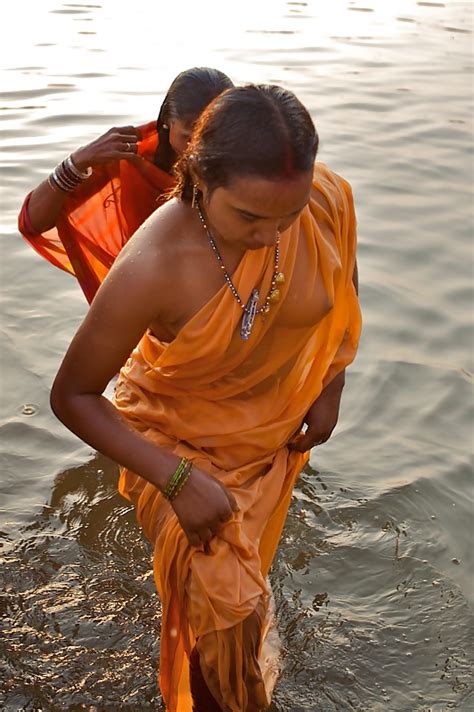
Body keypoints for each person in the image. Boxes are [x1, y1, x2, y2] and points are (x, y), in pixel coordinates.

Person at [49, 84, 361, 711]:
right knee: (226, 612)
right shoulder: (155, 263)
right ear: (196, 176)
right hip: (174, 436)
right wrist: (173, 478)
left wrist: (330, 384)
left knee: (239, 599)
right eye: (249, 218)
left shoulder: (323, 198)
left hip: (268, 437)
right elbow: (73, 395)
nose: (272, 236)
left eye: (286, 216)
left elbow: (343, 289)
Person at [17, 67, 233, 303]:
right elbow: (33, 222)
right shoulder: (131, 156)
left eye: (216, 137)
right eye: (189, 137)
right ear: (168, 122)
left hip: (226, 295)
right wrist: (77, 162)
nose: (202, 150)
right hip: (143, 300)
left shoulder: (247, 161)